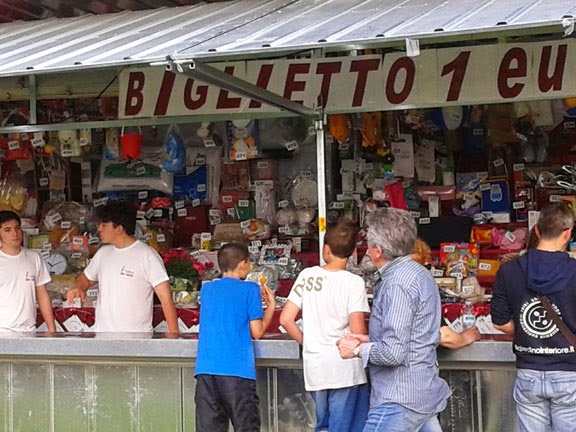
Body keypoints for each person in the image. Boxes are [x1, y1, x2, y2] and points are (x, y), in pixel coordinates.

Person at [338, 207, 450, 432]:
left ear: (378, 251)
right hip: (422, 391)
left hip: (399, 397)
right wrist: (370, 339)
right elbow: (414, 334)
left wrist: (357, 349)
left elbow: (394, 353)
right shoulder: (420, 273)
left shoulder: (396, 284)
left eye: (368, 244)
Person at [491, 203, 576, 432]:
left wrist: (524, 332)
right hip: (569, 373)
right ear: (568, 233)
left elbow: (499, 321)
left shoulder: (509, 271)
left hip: (528, 372)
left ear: (536, 230)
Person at [279, 219, 370, 432]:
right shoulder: (354, 282)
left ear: (325, 249)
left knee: (322, 425)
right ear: (352, 252)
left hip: (316, 366)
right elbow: (357, 332)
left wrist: (308, 342)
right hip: (344, 368)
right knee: (343, 426)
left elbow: (285, 320)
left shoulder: (307, 276)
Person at [194, 242, 276, 432]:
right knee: (246, 426)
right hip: (237, 371)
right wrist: (271, 306)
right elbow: (257, 332)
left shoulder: (207, 290)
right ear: (243, 264)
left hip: (206, 370)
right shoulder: (250, 289)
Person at [66, 200, 178, 333]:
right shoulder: (102, 253)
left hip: (137, 338)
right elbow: (86, 278)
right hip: (103, 336)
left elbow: (166, 298)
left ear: (119, 229)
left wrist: (174, 334)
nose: (99, 229)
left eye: (104, 225)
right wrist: (77, 286)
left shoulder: (147, 255)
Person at [0, 210, 56, 333]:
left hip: (29, 329)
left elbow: (42, 295)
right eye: (7, 230)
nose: (14, 233)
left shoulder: (34, 257)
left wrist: (52, 329)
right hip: (2, 330)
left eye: (17, 228)